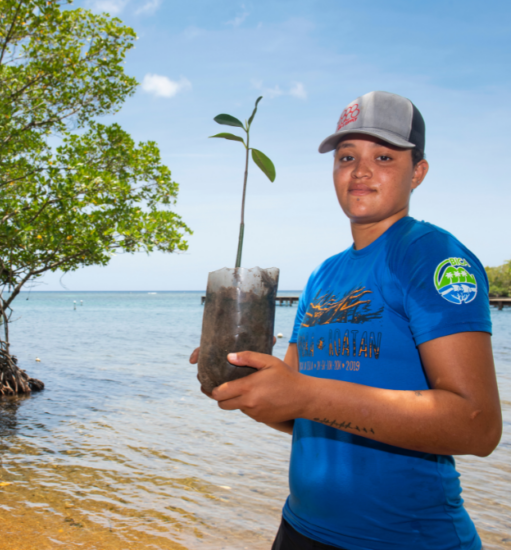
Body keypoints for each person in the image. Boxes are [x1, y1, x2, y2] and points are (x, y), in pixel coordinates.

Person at [190, 90, 502, 550]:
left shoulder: (430, 255)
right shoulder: (323, 275)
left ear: (418, 173)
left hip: (407, 539)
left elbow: (477, 426)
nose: (360, 170)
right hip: (300, 529)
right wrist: (251, 386)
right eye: (346, 157)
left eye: (384, 156)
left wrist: (304, 393)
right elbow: (304, 413)